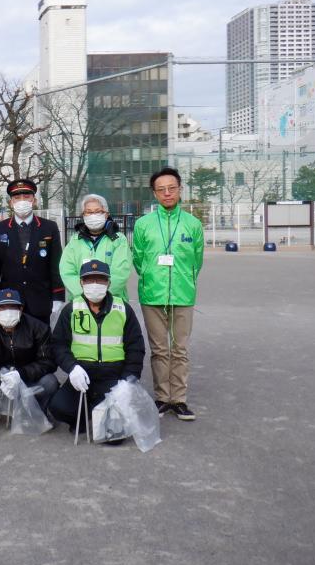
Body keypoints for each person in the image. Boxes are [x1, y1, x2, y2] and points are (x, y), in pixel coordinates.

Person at [132, 167, 204, 420]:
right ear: (154, 193)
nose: (167, 193)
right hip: (152, 295)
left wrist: (183, 281)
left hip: (183, 295)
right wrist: (154, 278)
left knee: (180, 349)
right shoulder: (143, 224)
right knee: (160, 349)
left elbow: (197, 260)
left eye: (171, 188)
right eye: (161, 190)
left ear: (180, 189)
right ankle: (163, 398)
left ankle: (180, 399)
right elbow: (138, 260)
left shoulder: (193, 224)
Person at [48, 260, 146, 437]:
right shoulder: (71, 309)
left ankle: (101, 413)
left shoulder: (123, 309)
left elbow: (136, 348)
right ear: (81, 283)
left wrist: (127, 381)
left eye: (100, 280)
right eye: (89, 280)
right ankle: (88, 415)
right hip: (82, 377)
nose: (94, 285)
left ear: (108, 283)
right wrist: (72, 368)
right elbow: (58, 344)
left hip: (113, 378)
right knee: (58, 407)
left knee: (114, 438)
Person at [0, 288, 58, 416]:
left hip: (28, 378)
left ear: (21, 310)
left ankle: (35, 411)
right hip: (0, 381)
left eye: (13, 307)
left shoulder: (39, 328)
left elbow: (49, 361)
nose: (8, 312)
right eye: (2, 308)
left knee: (50, 381)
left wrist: (21, 374)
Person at [0, 178, 65, 324]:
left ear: (34, 200)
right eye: (17, 197)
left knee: (42, 344)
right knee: (11, 345)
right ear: (11, 202)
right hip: (9, 302)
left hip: (40, 300)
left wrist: (58, 296)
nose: (22, 201)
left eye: (26, 196)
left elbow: (56, 265)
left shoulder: (49, 227)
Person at [60, 194, 131, 301]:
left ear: (106, 214)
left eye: (98, 211)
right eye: (89, 212)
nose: (93, 215)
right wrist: (85, 294)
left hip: (112, 300)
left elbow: (121, 272)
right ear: (83, 215)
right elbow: (67, 271)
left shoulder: (119, 240)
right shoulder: (75, 241)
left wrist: (102, 295)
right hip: (81, 301)